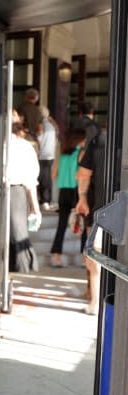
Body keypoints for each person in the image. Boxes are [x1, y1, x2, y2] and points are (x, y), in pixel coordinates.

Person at [75, 126, 107, 315]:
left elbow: (84, 173)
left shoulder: (99, 140)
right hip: (102, 210)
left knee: (94, 259)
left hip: (100, 211)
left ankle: (95, 303)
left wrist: (82, 197)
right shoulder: (100, 140)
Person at [7, 111, 41, 273]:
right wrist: (35, 208)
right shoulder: (25, 147)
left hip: (4, 191)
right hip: (16, 192)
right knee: (18, 231)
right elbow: (30, 182)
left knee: (14, 232)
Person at [49, 126, 86, 267]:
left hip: (63, 192)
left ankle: (57, 257)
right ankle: (84, 257)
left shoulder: (62, 155)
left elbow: (54, 174)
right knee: (83, 224)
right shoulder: (80, 154)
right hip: (76, 191)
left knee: (62, 225)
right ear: (80, 140)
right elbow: (81, 174)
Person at [37, 106, 58, 209]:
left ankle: (45, 200)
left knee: (43, 177)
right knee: (47, 177)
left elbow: (39, 140)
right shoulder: (52, 126)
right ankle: (47, 199)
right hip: (50, 155)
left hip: (42, 155)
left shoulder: (41, 126)